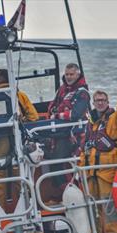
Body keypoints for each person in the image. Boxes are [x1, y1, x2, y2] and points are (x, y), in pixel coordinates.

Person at [80, 81, 117, 233]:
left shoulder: (113, 121)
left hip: (107, 174)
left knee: (109, 207)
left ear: (108, 103)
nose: (100, 103)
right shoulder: (90, 123)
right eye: (97, 100)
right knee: (93, 208)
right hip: (90, 175)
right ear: (93, 103)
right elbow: (84, 148)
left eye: (103, 100)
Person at [0, 69, 39, 210]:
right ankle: (27, 209)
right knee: (22, 178)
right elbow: (34, 117)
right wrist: (21, 121)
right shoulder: (19, 95)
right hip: (18, 143)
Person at [45, 63, 90, 202]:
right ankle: (60, 193)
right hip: (58, 134)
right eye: (67, 74)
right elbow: (52, 107)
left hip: (74, 136)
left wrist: (57, 116)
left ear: (78, 74)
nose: (69, 77)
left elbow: (75, 114)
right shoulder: (62, 90)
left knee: (57, 161)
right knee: (50, 160)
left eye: (72, 74)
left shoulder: (82, 93)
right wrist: (56, 114)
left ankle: (69, 194)